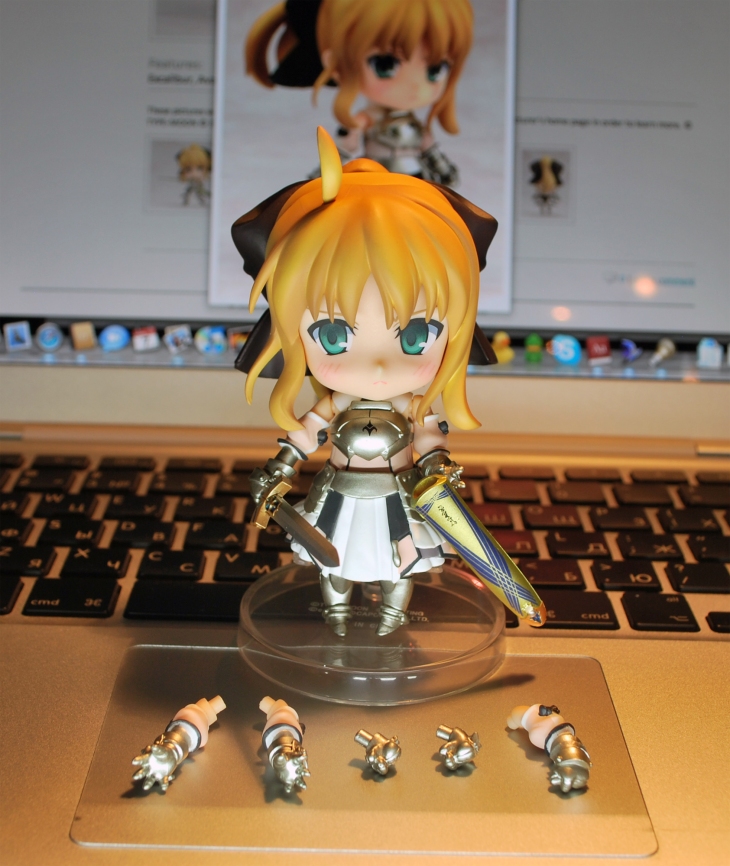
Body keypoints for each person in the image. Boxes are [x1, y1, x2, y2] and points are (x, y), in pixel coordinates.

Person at [232, 127, 497, 636]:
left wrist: (438, 467)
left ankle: (393, 614)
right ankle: (336, 611)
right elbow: (305, 435)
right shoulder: (334, 405)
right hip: (338, 496)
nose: (377, 366)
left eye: (418, 335)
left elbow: (430, 440)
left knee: (402, 563)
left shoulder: (413, 408)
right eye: (333, 336)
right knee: (334, 560)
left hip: (402, 495)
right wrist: (280, 468)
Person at [245, 0, 473, 185]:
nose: (415, 87)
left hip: (417, 184)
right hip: (373, 183)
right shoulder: (363, 121)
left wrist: (445, 174)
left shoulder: (416, 127)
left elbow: (433, 155)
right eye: (385, 65)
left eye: (436, 69)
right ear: (336, 64)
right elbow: (342, 153)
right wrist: (320, 181)